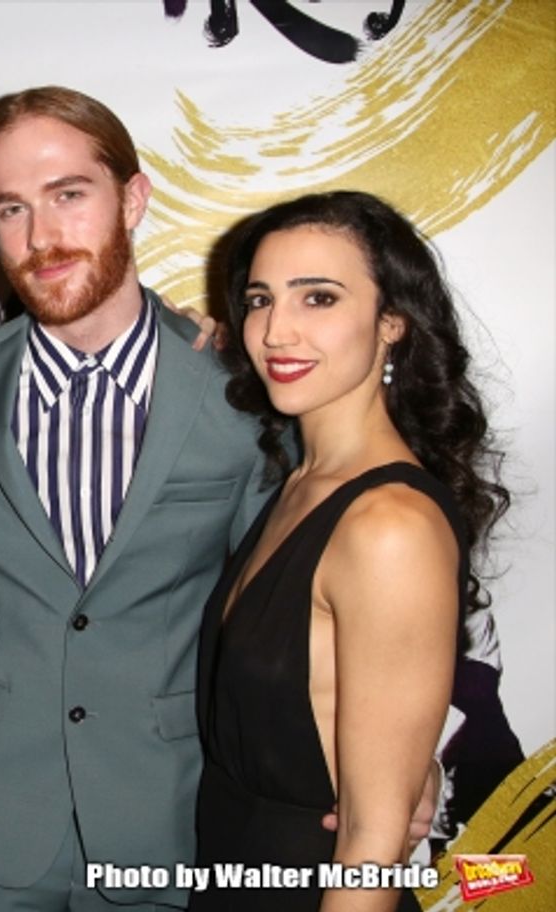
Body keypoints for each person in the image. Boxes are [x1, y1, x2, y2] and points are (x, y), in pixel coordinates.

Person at [0, 85, 274, 911]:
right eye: (11, 209)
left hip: (172, 823)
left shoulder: (238, 394)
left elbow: (281, 618)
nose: (42, 238)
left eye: (69, 195)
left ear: (132, 198)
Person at [190, 190, 509, 911]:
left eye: (320, 299)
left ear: (392, 322)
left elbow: (372, 839)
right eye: (260, 299)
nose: (276, 331)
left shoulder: (389, 525)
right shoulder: (302, 484)